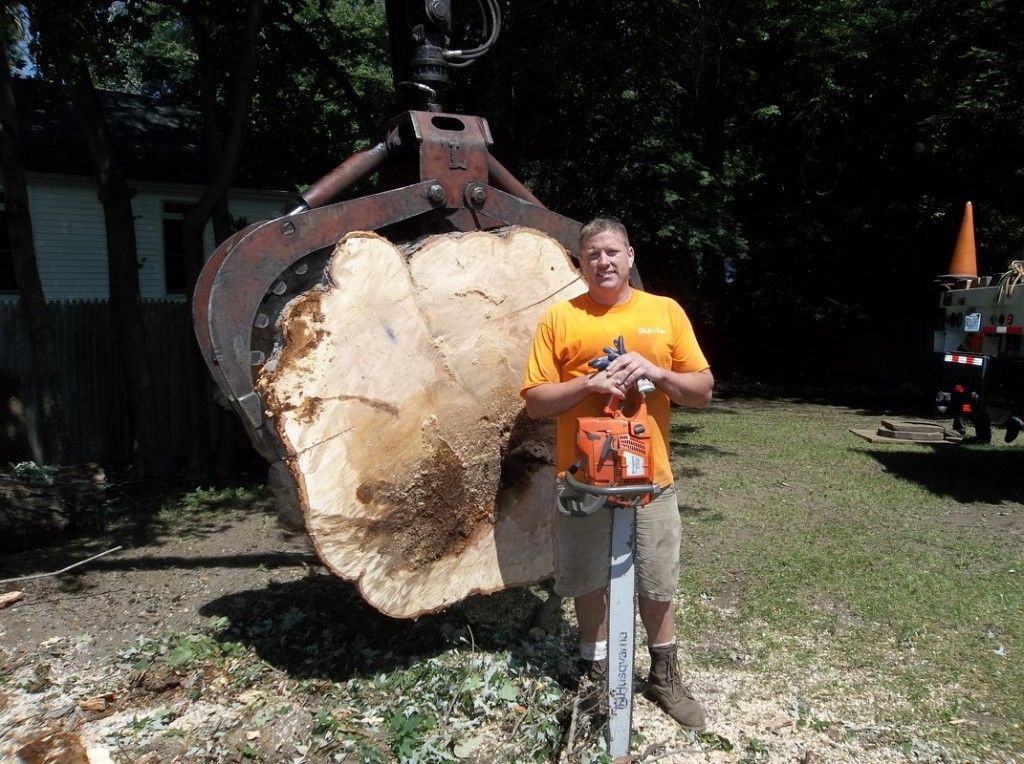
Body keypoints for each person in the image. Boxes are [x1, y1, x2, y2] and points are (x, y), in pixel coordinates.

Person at [519, 216, 714, 729]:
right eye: (591, 256)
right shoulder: (560, 320)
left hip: (652, 480)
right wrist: (588, 385)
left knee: (657, 579)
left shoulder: (664, 313)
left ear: (630, 256)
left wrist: (657, 372)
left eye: (611, 252)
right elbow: (537, 401)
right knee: (586, 580)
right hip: (582, 480)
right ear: (580, 265)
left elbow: (703, 390)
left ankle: (664, 675)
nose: (603, 262)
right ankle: (594, 675)